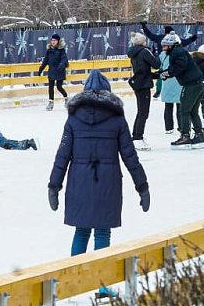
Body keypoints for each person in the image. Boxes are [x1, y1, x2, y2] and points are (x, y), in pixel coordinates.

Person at [48, 70, 149, 261]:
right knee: (102, 233)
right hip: (107, 183)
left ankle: (74, 278)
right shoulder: (117, 119)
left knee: (81, 231)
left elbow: (62, 155)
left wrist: (54, 185)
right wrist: (142, 185)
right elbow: (130, 156)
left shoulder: (73, 118)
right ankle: (102, 285)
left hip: (79, 182)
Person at [160, 32, 204, 149]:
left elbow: (180, 66)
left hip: (191, 85)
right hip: (198, 84)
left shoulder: (177, 52)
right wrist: (163, 74)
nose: (163, 49)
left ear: (171, 45)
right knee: (193, 111)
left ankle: (185, 136)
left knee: (184, 111)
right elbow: (176, 68)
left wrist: (168, 72)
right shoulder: (179, 51)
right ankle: (199, 136)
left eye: (165, 46)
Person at [141, 23, 197, 98]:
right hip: (173, 60)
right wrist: (192, 38)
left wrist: (144, 28)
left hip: (162, 60)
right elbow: (184, 42)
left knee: (162, 74)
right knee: (173, 74)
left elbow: (151, 36)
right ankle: (175, 90)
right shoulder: (174, 40)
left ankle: (159, 90)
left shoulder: (160, 38)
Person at [126, 32, 160, 150]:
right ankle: (137, 138)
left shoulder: (134, 52)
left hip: (139, 82)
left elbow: (143, 70)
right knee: (143, 112)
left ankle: (136, 136)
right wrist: (155, 54)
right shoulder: (145, 52)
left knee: (141, 111)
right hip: (143, 84)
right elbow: (156, 64)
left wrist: (156, 76)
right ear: (143, 42)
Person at [38, 33, 69, 110]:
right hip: (51, 70)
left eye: (55, 40)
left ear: (58, 41)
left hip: (59, 71)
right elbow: (45, 61)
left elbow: (64, 59)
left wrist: (62, 65)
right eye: (52, 40)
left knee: (59, 87)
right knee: (51, 87)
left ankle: (66, 98)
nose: (53, 42)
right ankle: (51, 102)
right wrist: (41, 69)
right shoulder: (49, 51)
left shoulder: (61, 50)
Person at [158, 35, 181, 135]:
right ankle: (181, 126)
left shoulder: (163, 55)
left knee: (168, 106)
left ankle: (168, 127)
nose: (163, 48)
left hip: (167, 81)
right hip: (178, 81)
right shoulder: (179, 54)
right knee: (179, 106)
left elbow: (159, 65)